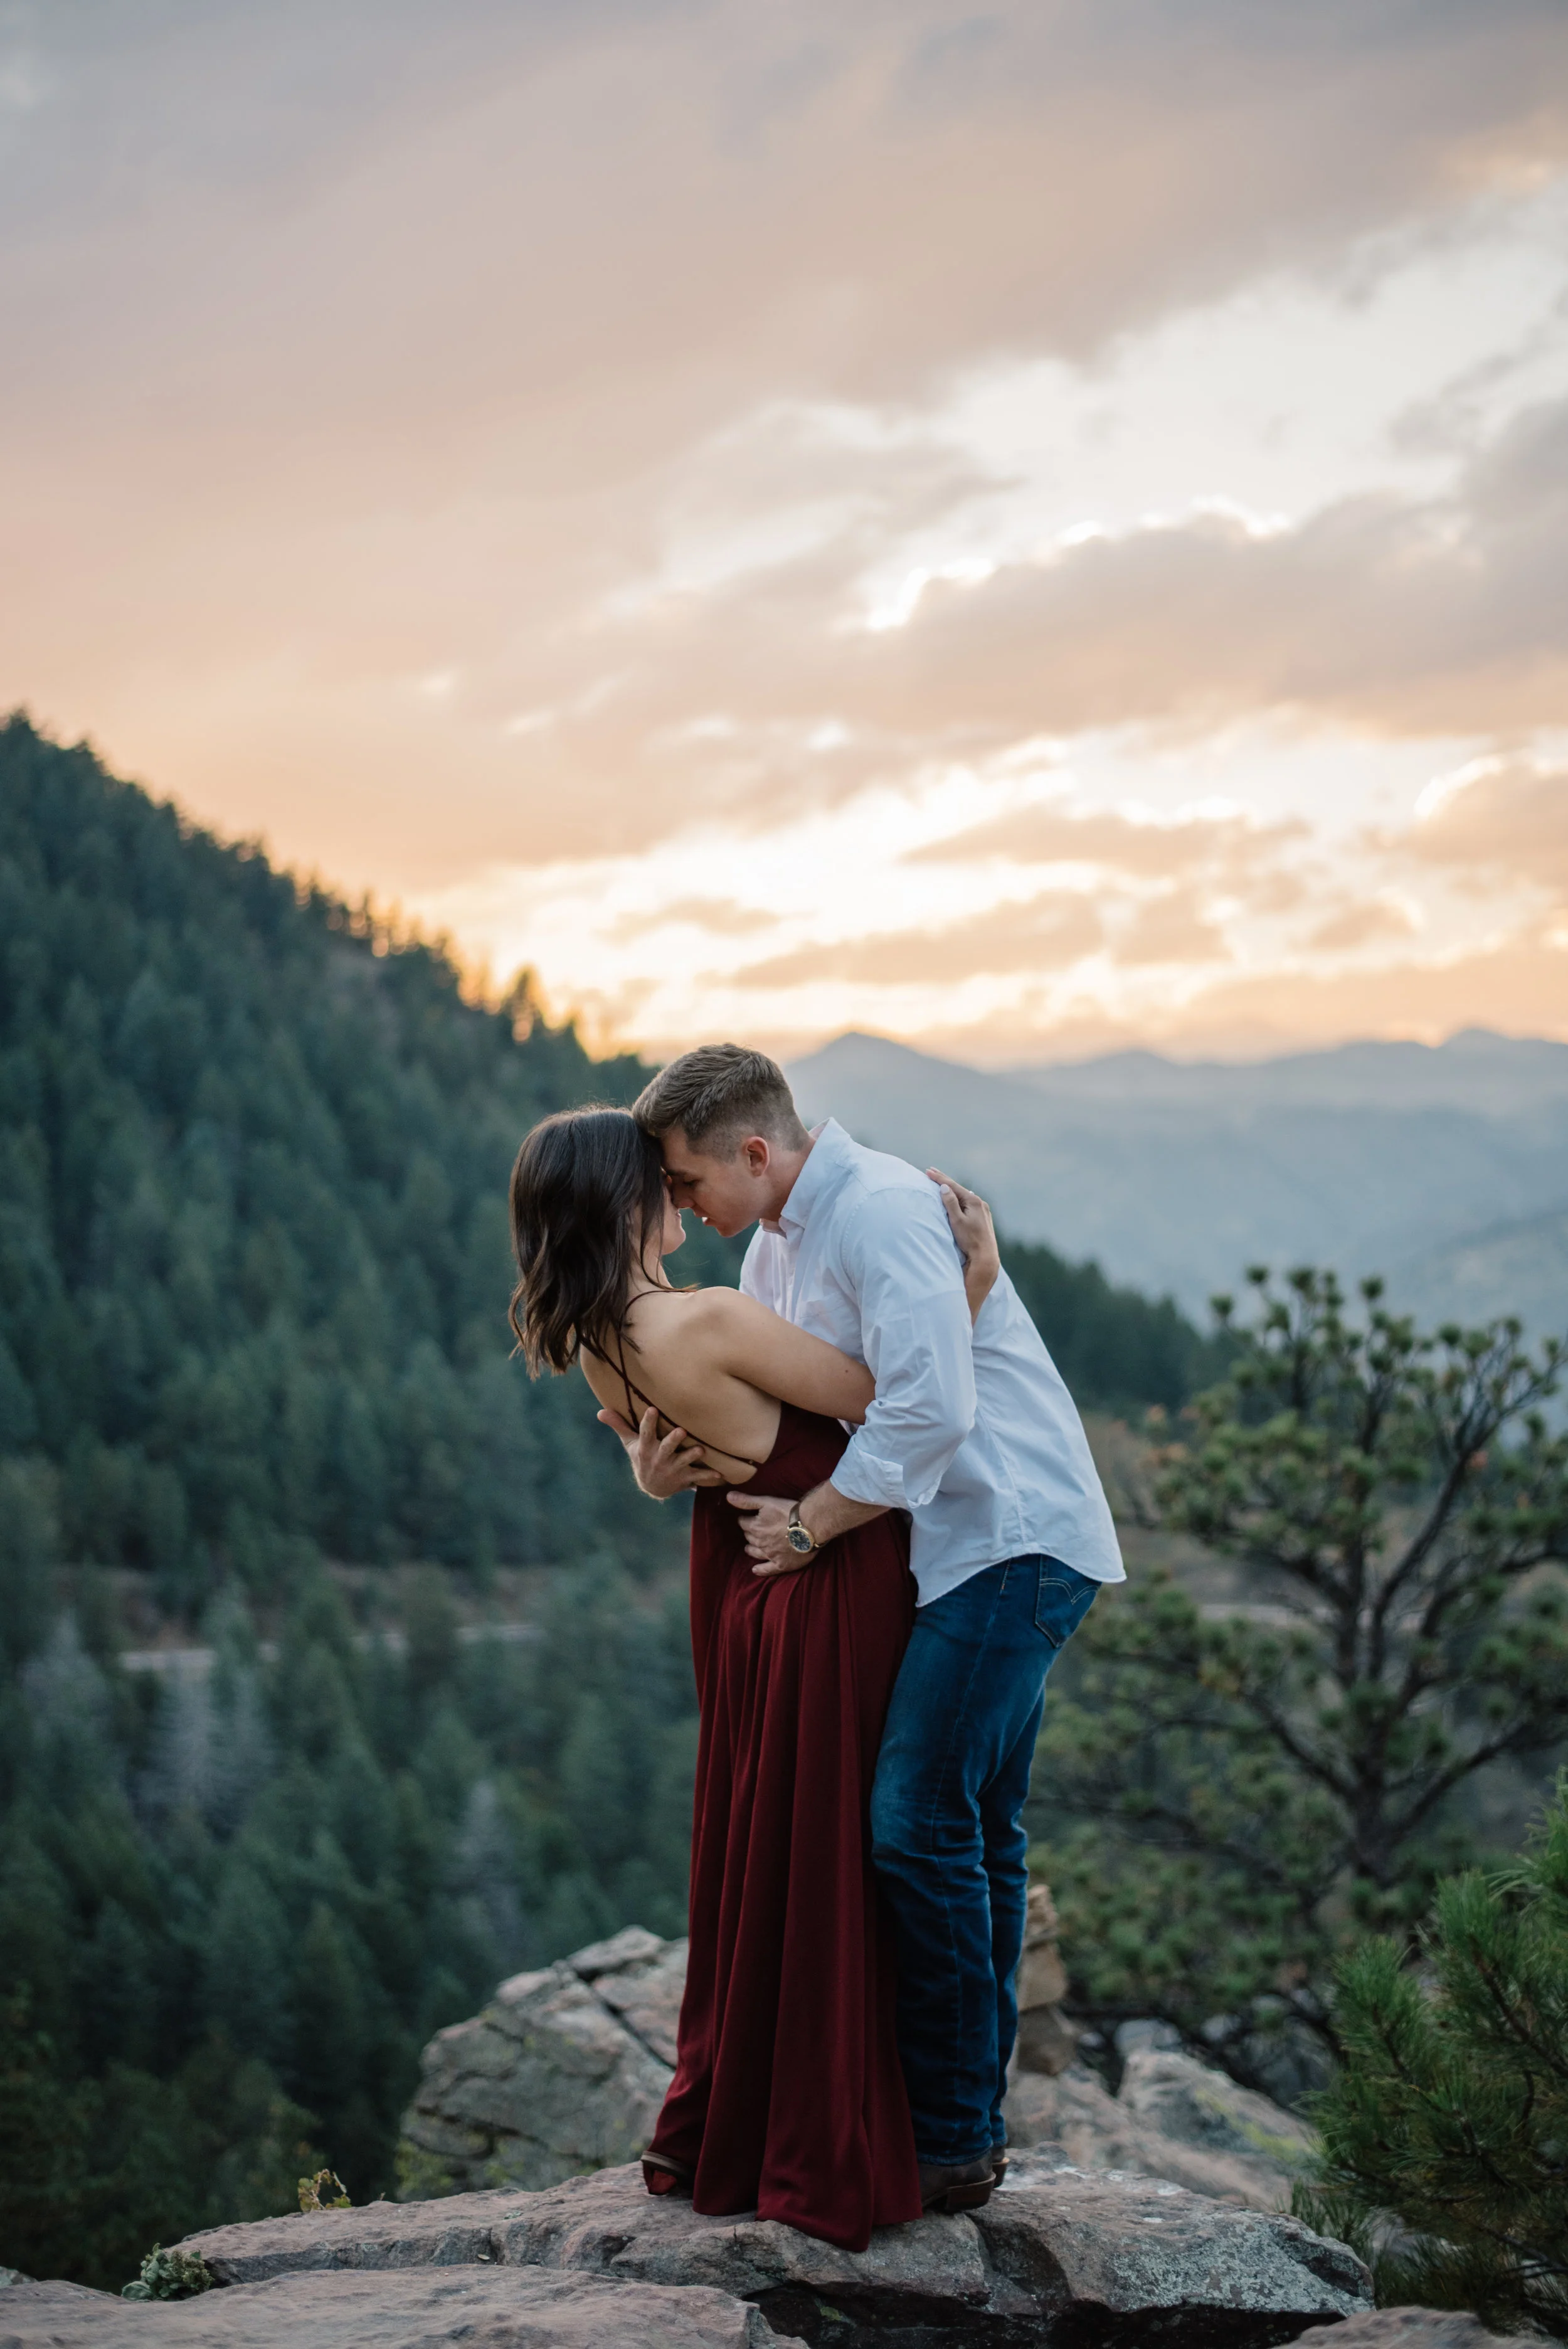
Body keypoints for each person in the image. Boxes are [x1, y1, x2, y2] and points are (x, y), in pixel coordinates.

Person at [612, 1046, 1125, 2217]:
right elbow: (799, 1405)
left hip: (1006, 1542)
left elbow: (930, 1406)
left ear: (756, 1151)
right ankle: (962, 2125)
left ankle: (949, 2138)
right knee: (976, 1830)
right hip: (946, 1553)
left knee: (916, 1823)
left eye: (690, 1180)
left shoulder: (886, 1210)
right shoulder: (770, 1245)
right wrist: (662, 1474)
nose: (682, 1206)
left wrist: (810, 1532)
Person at [507, 1103, 1000, 2251]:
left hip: (738, 1590)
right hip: (824, 1578)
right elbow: (889, 1393)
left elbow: (661, 1450)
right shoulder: (711, 1319)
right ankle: (838, 2129)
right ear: (621, 1199)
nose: (680, 1198)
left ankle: (727, 2118)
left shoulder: (594, 1335)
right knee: (830, 1845)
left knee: (758, 1840)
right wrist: (967, 1285)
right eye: (660, 1183)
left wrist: (644, 1476)